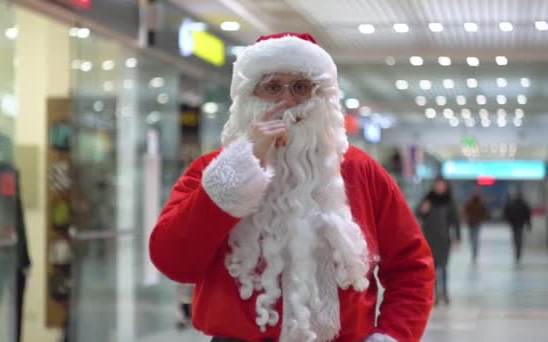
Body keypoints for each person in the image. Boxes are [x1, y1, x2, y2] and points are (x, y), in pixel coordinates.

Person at [149, 32, 435, 342]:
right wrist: (244, 164)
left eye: (301, 87)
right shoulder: (212, 170)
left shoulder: (360, 170)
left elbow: (412, 268)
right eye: (272, 87)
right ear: (249, 97)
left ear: (321, 96)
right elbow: (173, 261)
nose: (286, 101)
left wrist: (391, 335)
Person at [416, 177, 460, 306]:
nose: (440, 187)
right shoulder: (428, 199)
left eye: (442, 185)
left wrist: (457, 236)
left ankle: (445, 293)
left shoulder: (449, 201)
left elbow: (455, 220)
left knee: (444, 268)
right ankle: (434, 294)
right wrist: (422, 209)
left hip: (444, 239)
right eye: (438, 184)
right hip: (429, 239)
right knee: (432, 269)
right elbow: (418, 212)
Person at [502, 190, 532, 264]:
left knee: (516, 237)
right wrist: (528, 224)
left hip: (515, 223)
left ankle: (517, 249)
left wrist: (508, 220)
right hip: (519, 223)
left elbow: (507, 212)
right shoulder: (523, 203)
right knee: (519, 237)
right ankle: (518, 249)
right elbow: (527, 214)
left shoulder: (512, 203)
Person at [463, 187, 489, 263]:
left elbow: (484, 211)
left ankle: (475, 252)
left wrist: (483, 218)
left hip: (477, 222)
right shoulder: (470, 202)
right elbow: (466, 210)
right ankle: (474, 250)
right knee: (471, 238)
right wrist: (466, 218)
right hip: (471, 222)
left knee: (475, 238)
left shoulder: (481, 202)